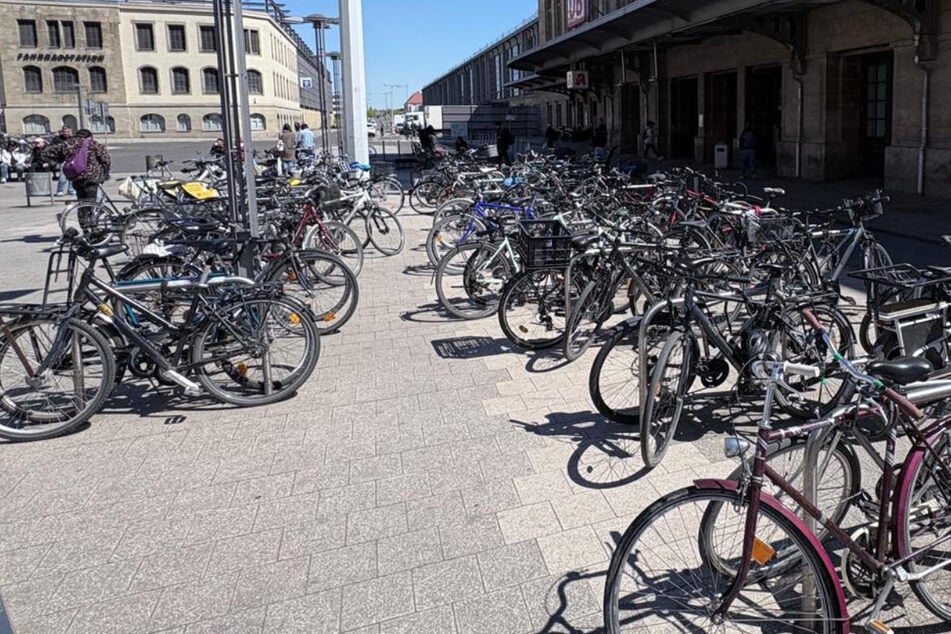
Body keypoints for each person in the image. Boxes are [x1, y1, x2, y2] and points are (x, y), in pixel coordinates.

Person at [42, 128, 111, 202]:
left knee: (81, 200)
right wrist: (105, 174)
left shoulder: (68, 144)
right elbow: (106, 160)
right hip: (92, 176)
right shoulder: (94, 144)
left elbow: (46, 152)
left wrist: (56, 162)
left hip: (76, 176)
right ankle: (90, 212)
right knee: (92, 200)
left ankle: (83, 213)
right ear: (89, 137)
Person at [50, 126, 76, 196]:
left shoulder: (73, 138)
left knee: (72, 175)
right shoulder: (57, 139)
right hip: (62, 159)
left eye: (68, 132)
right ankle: (60, 190)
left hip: (72, 158)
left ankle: (71, 189)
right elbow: (52, 148)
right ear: (62, 131)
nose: (66, 133)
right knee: (62, 175)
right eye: (65, 131)